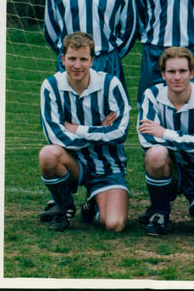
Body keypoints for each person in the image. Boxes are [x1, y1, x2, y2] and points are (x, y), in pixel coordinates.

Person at [38, 31, 130, 232]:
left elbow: (120, 133)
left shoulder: (111, 84)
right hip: (74, 162)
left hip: (108, 166)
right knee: (48, 154)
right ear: (63, 59)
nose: (77, 65)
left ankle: (93, 203)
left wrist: (76, 129)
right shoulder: (51, 86)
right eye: (72, 58)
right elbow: (54, 135)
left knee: (115, 224)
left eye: (83, 59)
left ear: (92, 60)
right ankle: (64, 207)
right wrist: (99, 133)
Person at [137, 47, 194, 236]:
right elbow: (147, 140)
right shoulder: (152, 96)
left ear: (192, 73)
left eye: (182, 71)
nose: (177, 77)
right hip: (172, 170)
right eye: (171, 71)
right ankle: (159, 211)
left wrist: (165, 133)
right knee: (156, 154)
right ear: (163, 74)